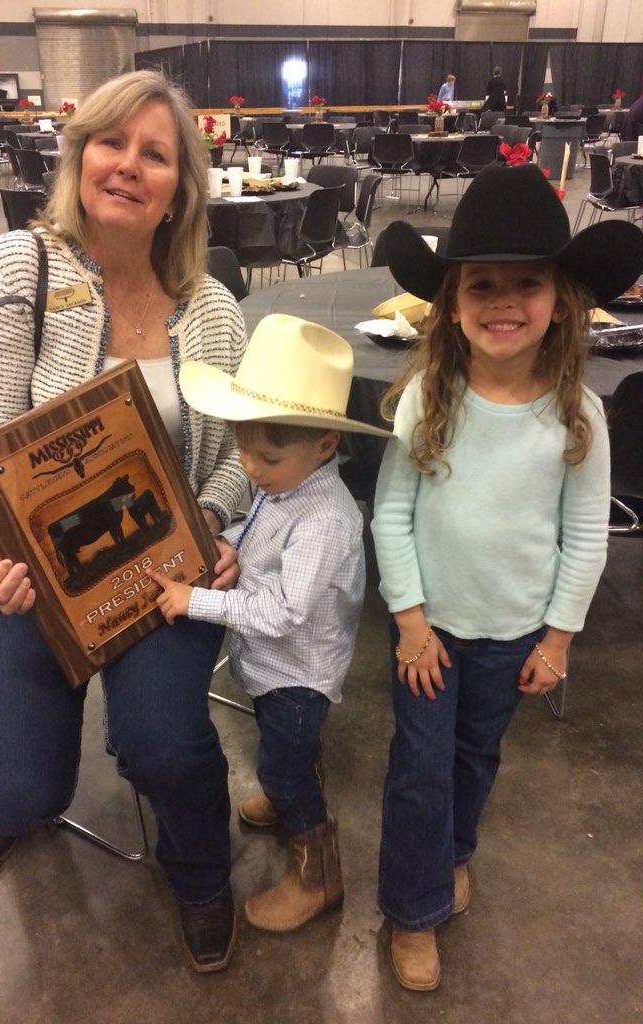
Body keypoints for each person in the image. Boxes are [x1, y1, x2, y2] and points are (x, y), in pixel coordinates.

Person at [0, 69, 249, 974]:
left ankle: (202, 871)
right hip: (33, 573)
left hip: (160, 576)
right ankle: (13, 793)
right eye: (109, 143)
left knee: (162, 744)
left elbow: (243, 449)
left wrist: (211, 518)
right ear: (79, 156)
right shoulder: (23, 263)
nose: (127, 165)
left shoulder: (211, 311)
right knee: (11, 792)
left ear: (180, 191)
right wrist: (2, 552)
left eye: (154, 153)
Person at [370, 163, 643, 992]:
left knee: (475, 757)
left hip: (514, 632)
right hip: (429, 632)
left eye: (525, 283)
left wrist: (557, 638)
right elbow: (390, 516)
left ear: (561, 298)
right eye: (480, 283)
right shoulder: (428, 397)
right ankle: (413, 910)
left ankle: (453, 854)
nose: (501, 300)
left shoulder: (577, 415)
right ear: (450, 301)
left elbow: (584, 537)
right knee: (419, 771)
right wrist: (410, 621)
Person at [150, 313, 391, 933]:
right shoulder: (284, 483)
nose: (251, 469)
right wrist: (231, 540)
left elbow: (285, 612)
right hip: (271, 669)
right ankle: (288, 799)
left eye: (268, 456)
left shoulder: (325, 518)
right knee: (285, 751)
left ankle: (319, 873)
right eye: (243, 450)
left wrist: (193, 600)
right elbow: (259, 529)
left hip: (297, 675)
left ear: (325, 444)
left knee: (283, 763)